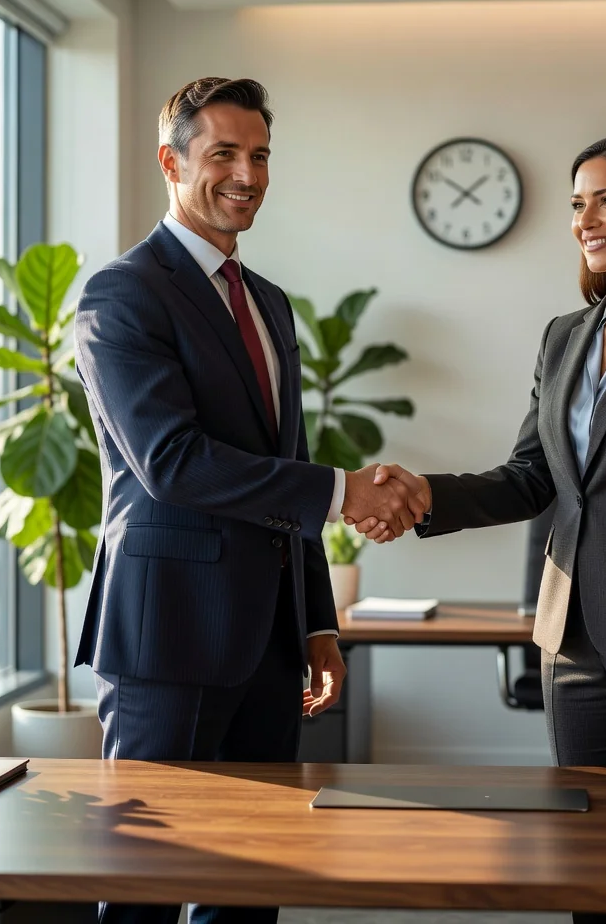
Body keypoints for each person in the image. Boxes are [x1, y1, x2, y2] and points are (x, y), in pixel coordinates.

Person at [353, 131, 606, 924]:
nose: (586, 219)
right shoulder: (564, 337)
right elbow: (530, 478)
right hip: (567, 638)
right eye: (578, 204)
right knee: (589, 868)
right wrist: (422, 495)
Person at [73, 76, 415, 924]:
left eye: (259, 155)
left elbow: (282, 463)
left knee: (253, 882)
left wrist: (316, 623)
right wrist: (344, 492)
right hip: (170, 635)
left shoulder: (267, 302)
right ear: (172, 161)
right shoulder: (122, 294)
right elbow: (173, 462)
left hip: (268, 641)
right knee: (146, 880)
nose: (247, 174)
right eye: (223, 153)